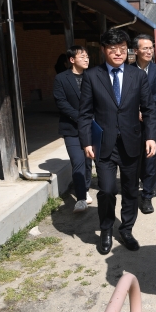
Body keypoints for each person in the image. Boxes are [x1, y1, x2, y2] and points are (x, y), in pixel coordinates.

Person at [78, 28, 156, 255]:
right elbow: (84, 114)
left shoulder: (138, 76)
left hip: (132, 141)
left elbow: (149, 109)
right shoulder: (93, 76)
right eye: (113, 49)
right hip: (104, 143)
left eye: (122, 49)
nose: (118, 53)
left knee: (131, 190)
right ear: (103, 50)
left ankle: (127, 229)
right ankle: (105, 229)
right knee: (107, 190)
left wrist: (150, 137)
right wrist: (86, 142)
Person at [53, 46, 93, 213]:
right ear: (72, 60)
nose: (86, 59)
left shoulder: (92, 77)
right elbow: (61, 102)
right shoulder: (61, 79)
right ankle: (81, 198)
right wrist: (79, 117)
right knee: (78, 161)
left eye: (87, 56)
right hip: (71, 128)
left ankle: (87, 187)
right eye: (82, 56)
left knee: (88, 161)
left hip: (91, 127)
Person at [133, 34, 156, 214]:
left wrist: (144, 106)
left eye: (151, 48)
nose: (149, 51)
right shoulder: (128, 70)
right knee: (136, 157)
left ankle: (147, 195)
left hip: (153, 119)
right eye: (145, 48)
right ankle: (139, 184)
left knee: (151, 158)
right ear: (136, 50)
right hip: (132, 122)